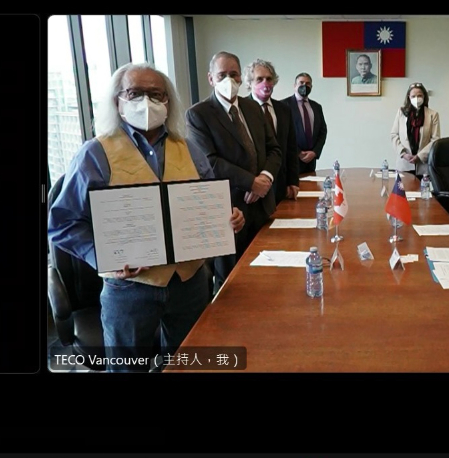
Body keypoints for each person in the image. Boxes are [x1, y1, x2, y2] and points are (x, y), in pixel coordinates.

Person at [48, 63, 244, 372]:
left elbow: (211, 203)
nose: (147, 102)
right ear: (118, 100)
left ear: (168, 102)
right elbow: (62, 223)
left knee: (190, 364)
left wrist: (229, 217)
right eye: (134, 93)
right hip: (130, 289)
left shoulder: (189, 149)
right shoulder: (95, 154)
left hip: (189, 283)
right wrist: (103, 256)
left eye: (156, 94)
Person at [187, 52, 282, 292]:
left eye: (233, 74)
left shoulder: (253, 108)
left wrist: (265, 180)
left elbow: (274, 150)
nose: (229, 79)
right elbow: (209, 162)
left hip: (263, 207)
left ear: (241, 78)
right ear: (211, 78)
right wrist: (251, 183)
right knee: (232, 284)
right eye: (222, 75)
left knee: (267, 278)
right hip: (229, 213)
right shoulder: (199, 115)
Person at [247, 59, 300, 203]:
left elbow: (291, 148)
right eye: (259, 79)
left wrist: (293, 181)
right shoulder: (242, 110)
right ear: (250, 83)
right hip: (254, 187)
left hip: (281, 185)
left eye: (269, 79)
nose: (265, 83)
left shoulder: (284, 109)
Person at [389, 83, 441, 177]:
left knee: (421, 191)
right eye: (413, 96)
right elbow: (394, 135)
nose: (416, 99)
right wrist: (403, 153)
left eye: (419, 95)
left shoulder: (433, 114)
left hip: (423, 165)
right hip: (404, 164)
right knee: (403, 191)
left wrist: (419, 156)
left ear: (424, 96)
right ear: (409, 97)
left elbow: (435, 139)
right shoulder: (401, 112)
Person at [282, 73, 328, 175]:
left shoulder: (317, 107)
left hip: (311, 160)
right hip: (291, 159)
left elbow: (322, 131)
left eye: (308, 83)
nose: (304, 86)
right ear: (294, 86)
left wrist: (315, 152)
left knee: (311, 188)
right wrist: (298, 152)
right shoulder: (283, 105)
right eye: (301, 83)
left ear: (311, 87)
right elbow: (282, 132)